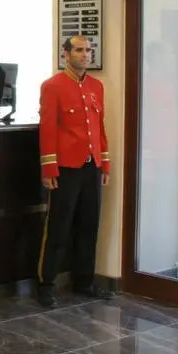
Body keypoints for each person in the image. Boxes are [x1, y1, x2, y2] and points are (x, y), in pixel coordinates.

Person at [36, 35, 113, 308]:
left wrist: (105, 164)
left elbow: (99, 128)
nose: (85, 55)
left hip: (91, 166)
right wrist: (49, 168)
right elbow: (47, 129)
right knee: (59, 227)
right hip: (66, 168)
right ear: (66, 54)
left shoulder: (96, 87)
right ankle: (46, 284)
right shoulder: (53, 86)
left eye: (88, 50)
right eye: (79, 50)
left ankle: (84, 281)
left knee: (89, 226)